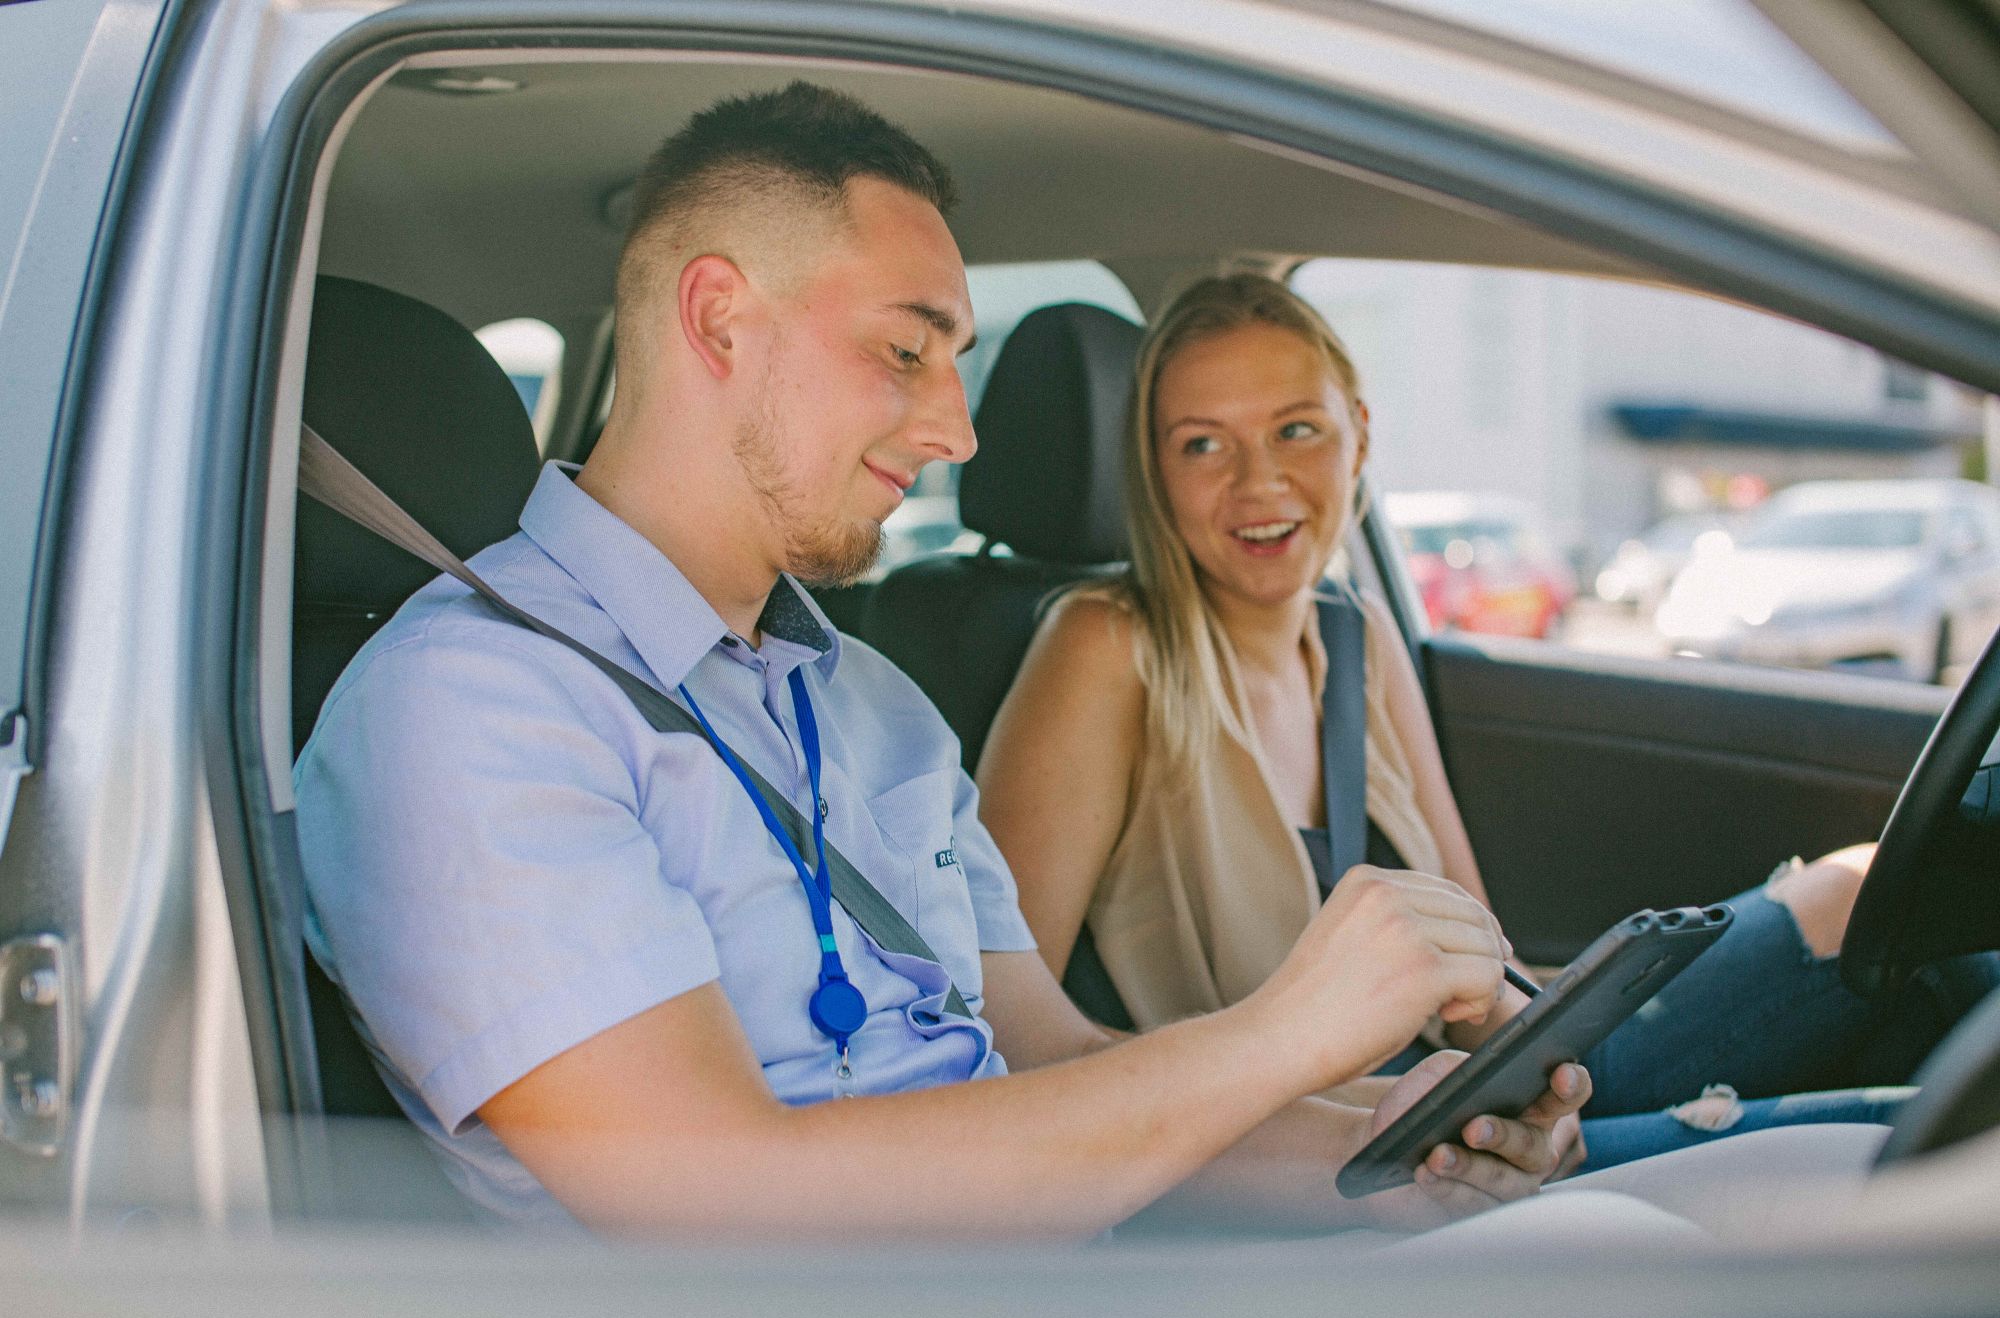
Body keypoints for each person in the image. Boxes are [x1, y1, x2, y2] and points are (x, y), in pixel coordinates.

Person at [295, 83, 1601, 1238]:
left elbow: (1051, 1075)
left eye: (954, 365)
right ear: (718, 320)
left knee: (1618, 1227)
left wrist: (1388, 1149)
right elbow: (718, 1206)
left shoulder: (878, 710)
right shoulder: (469, 705)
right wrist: (1281, 1034)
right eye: (904, 351)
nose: (957, 431)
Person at [975, 272, 1996, 1171]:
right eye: (1203, 444)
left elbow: (1473, 938)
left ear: (1359, 434)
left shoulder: (1354, 632)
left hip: (1466, 1097)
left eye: (1296, 429)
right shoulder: (1105, 648)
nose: (1259, 480)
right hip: (1327, 1154)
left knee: (1872, 895)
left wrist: (1536, 1076)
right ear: (1152, 471)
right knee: (1913, 1142)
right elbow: (1004, 1035)